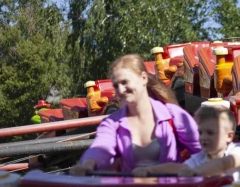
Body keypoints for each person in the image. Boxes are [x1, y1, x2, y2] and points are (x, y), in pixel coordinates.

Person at [69, 54, 201, 175]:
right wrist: (87, 164)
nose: (120, 90)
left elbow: (203, 150)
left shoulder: (173, 115)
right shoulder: (113, 123)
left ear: (143, 78)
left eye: (125, 82)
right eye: (116, 85)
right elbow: (101, 147)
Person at [132, 105, 240, 181]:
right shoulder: (199, 158)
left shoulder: (239, 149)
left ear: (229, 136)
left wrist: (197, 172)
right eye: (200, 132)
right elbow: (178, 168)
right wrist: (150, 170)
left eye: (210, 133)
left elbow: (224, 163)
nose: (203, 137)